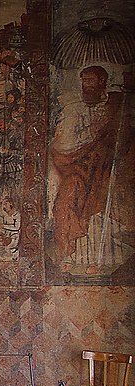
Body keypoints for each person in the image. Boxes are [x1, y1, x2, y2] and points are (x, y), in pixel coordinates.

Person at [49, 65, 134, 270]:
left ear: (102, 82)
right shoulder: (74, 109)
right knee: (65, 202)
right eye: (84, 81)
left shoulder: (115, 106)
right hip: (77, 168)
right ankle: (68, 254)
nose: (86, 86)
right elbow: (63, 144)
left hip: (106, 168)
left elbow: (124, 139)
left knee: (117, 200)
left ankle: (104, 260)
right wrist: (94, 130)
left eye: (91, 81)